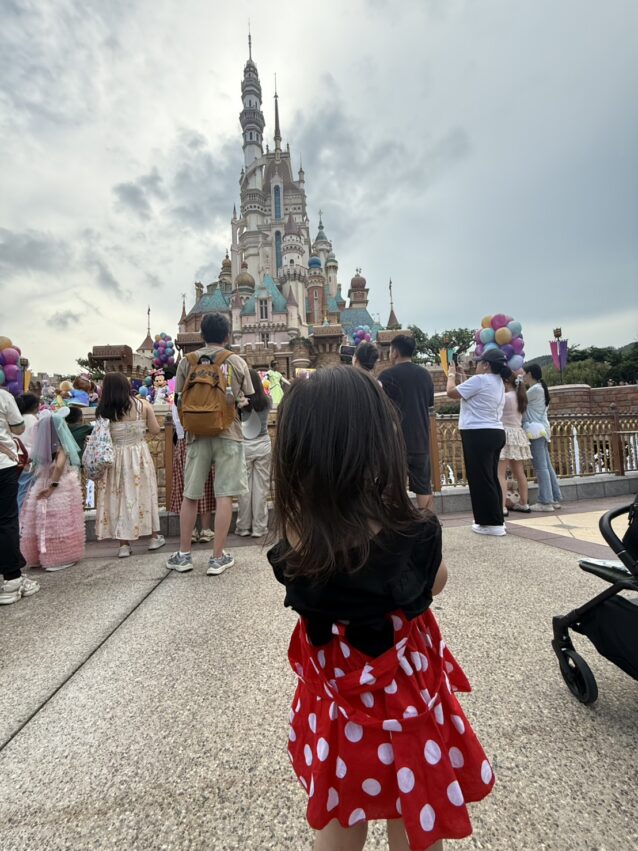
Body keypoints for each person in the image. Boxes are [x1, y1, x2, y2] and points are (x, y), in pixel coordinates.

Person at [268, 367, 494, 851]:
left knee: (339, 811)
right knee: (415, 809)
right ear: (379, 444)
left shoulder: (295, 543)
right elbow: (436, 584)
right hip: (406, 700)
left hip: (334, 705)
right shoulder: (413, 533)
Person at [167, 312, 254, 575]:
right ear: (227, 336)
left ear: (202, 336)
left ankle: (184, 555)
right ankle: (217, 558)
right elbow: (249, 398)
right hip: (228, 433)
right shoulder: (236, 361)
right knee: (224, 494)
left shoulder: (187, 362)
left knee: (191, 494)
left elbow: (178, 399)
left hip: (196, 435)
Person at [94, 372, 165, 558]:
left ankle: (123, 545)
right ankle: (154, 537)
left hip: (116, 457)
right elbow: (156, 430)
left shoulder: (104, 410)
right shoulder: (143, 405)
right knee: (145, 493)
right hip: (139, 455)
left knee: (119, 497)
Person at [446, 349, 509, 536]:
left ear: (487, 364)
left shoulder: (480, 380)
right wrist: (464, 377)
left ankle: (490, 524)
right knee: (490, 477)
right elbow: (470, 392)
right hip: (495, 432)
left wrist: (450, 374)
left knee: (480, 479)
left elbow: (451, 393)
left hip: (477, 432)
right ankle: (496, 519)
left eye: (479, 362)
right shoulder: (498, 382)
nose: (477, 365)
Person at [20, 409, 85, 571]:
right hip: (60, 486)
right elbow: (59, 465)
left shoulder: (42, 447)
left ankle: (36, 557)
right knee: (59, 523)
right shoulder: (61, 446)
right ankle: (58, 558)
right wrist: (53, 485)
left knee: (39, 523)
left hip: (40, 484)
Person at [378, 334, 435, 511]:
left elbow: (379, 407)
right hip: (420, 440)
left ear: (394, 352)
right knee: (423, 486)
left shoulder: (387, 376)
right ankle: (429, 522)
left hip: (395, 441)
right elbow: (429, 405)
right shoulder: (425, 375)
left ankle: (397, 523)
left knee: (394, 487)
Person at [0, 388, 40, 604]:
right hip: (2, 465)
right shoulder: (3, 397)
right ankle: (12, 579)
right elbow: (18, 428)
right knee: (6, 521)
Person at [169, 401, 215, 544]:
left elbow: (178, 425)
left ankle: (191, 530)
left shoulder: (178, 401)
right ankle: (205, 529)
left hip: (183, 444)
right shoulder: (205, 396)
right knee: (205, 486)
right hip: (203, 441)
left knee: (186, 486)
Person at [235, 368, 272, 538]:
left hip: (244, 446)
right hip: (263, 444)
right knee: (261, 488)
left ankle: (243, 527)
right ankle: (259, 527)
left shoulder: (240, 402)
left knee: (244, 489)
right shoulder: (267, 401)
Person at [523, 363, 562, 511]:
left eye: (525, 374)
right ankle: (555, 498)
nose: (524, 376)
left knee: (540, 467)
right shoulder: (540, 388)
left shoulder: (535, 389)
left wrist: (517, 383)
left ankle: (545, 501)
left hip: (535, 431)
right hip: (542, 430)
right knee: (547, 466)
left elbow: (520, 399)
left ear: (530, 374)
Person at [497, 374, 532, 515]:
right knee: (519, 472)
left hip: (505, 434)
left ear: (506, 381)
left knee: (500, 473)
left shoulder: (505, 398)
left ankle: (501, 507)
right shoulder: (520, 396)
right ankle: (524, 503)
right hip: (518, 433)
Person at [16, 392, 40, 511]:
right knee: (24, 492)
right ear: (36, 406)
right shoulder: (34, 420)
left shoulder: (17, 419)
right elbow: (37, 442)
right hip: (29, 460)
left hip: (15, 457)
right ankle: (20, 521)